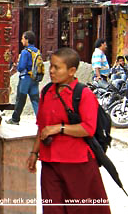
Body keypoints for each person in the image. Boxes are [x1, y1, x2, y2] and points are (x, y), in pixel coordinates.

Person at [27, 47, 110, 214]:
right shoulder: (47, 91)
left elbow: (87, 128)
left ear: (71, 71)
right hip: (50, 161)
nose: (51, 71)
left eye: (56, 67)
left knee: (79, 209)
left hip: (77, 162)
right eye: (51, 66)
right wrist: (34, 153)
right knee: (52, 209)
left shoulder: (83, 94)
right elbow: (42, 126)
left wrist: (59, 128)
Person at [6, 31, 40, 125]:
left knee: (20, 99)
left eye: (22, 38)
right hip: (34, 78)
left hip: (25, 79)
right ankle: (40, 120)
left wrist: (17, 65)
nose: (21, 41)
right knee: (35, 100)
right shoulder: (37, 51)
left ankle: (15, 119)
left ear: (27, 40)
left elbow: (21, 67)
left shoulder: (25, 52)